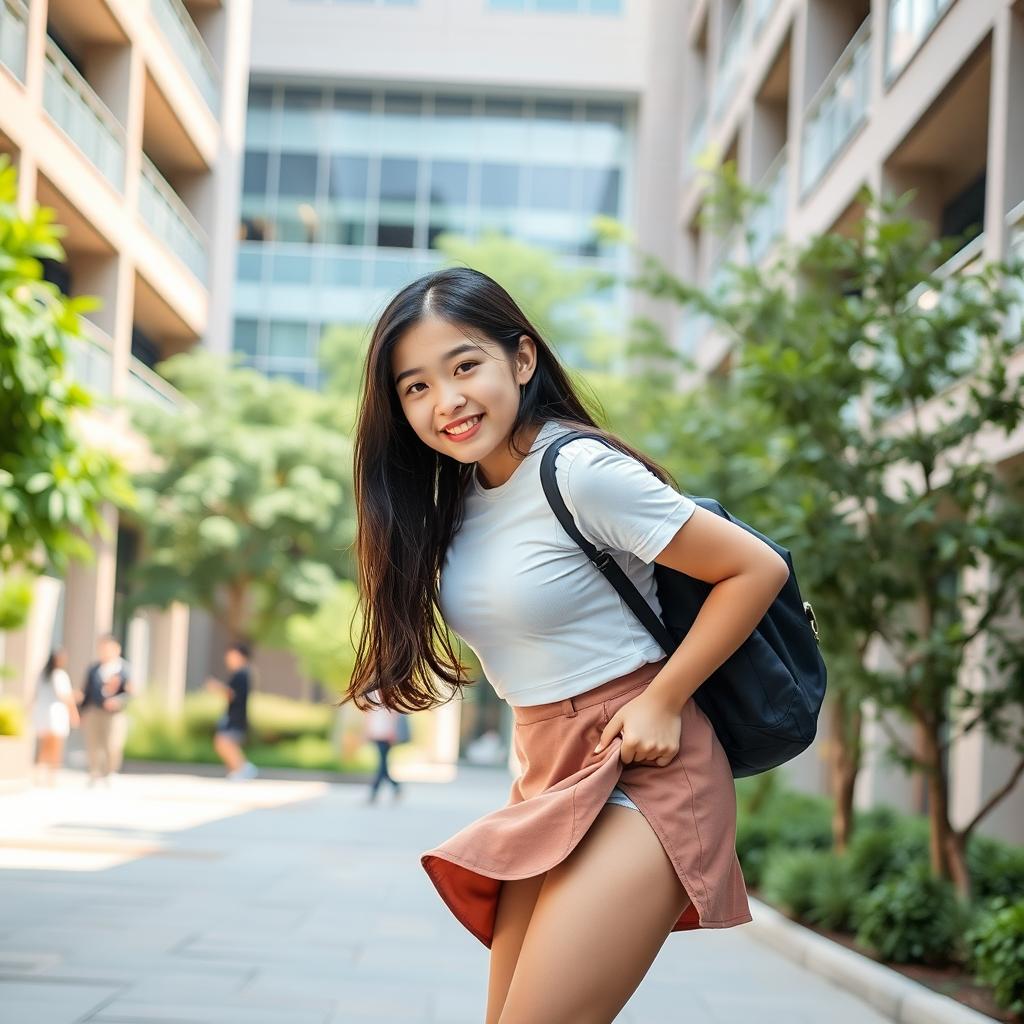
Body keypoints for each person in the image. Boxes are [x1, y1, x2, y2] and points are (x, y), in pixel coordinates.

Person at [339, 266, 791, 1024]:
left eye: (464, 366)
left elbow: (755, 568)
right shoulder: (461, 502)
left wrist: (664, 698)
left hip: (644, 762)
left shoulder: (576, 469)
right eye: (415, 387)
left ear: (521, 360)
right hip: (548, 771)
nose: (445, 401)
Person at [77, 634, 132, 787]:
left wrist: (118, 701)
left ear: (117, 649)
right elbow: (86, 691)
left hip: (115, 714)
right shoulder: (94, 669)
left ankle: (110, 772)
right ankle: (94, 772)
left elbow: (131, 692)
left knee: (113, 743)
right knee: (93, 743)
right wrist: (81, 712)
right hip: (94, 710)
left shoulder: (124, 669)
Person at [205, 642, 257, 781]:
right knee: (226, 743)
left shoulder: (241, 674)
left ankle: (243, 768)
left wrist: (216, 687)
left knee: (223, 742)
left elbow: (231, 694)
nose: (228, 659)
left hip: (235, 716)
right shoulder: (243, 673)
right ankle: (239, 769)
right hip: (235, 715)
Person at [31, 648, 79, 787]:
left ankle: (39, 773)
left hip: (41, 712)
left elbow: (35, 695)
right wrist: (74, 713)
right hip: (56, 713)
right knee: (56, 747)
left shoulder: (42, 675)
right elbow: (66, 697)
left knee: (44, 746)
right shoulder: (60, 675)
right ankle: (51, 777)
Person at [362, 691, 403, 804]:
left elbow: (393, 715)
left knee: (382, 764)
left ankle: (374, 792)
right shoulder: (371, 696)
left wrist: (392, 731)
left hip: (385, 734)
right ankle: (396, 786)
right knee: (383, 765)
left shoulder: (389, 696)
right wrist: (367, 731)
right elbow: (369, 715)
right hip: (376, 733)